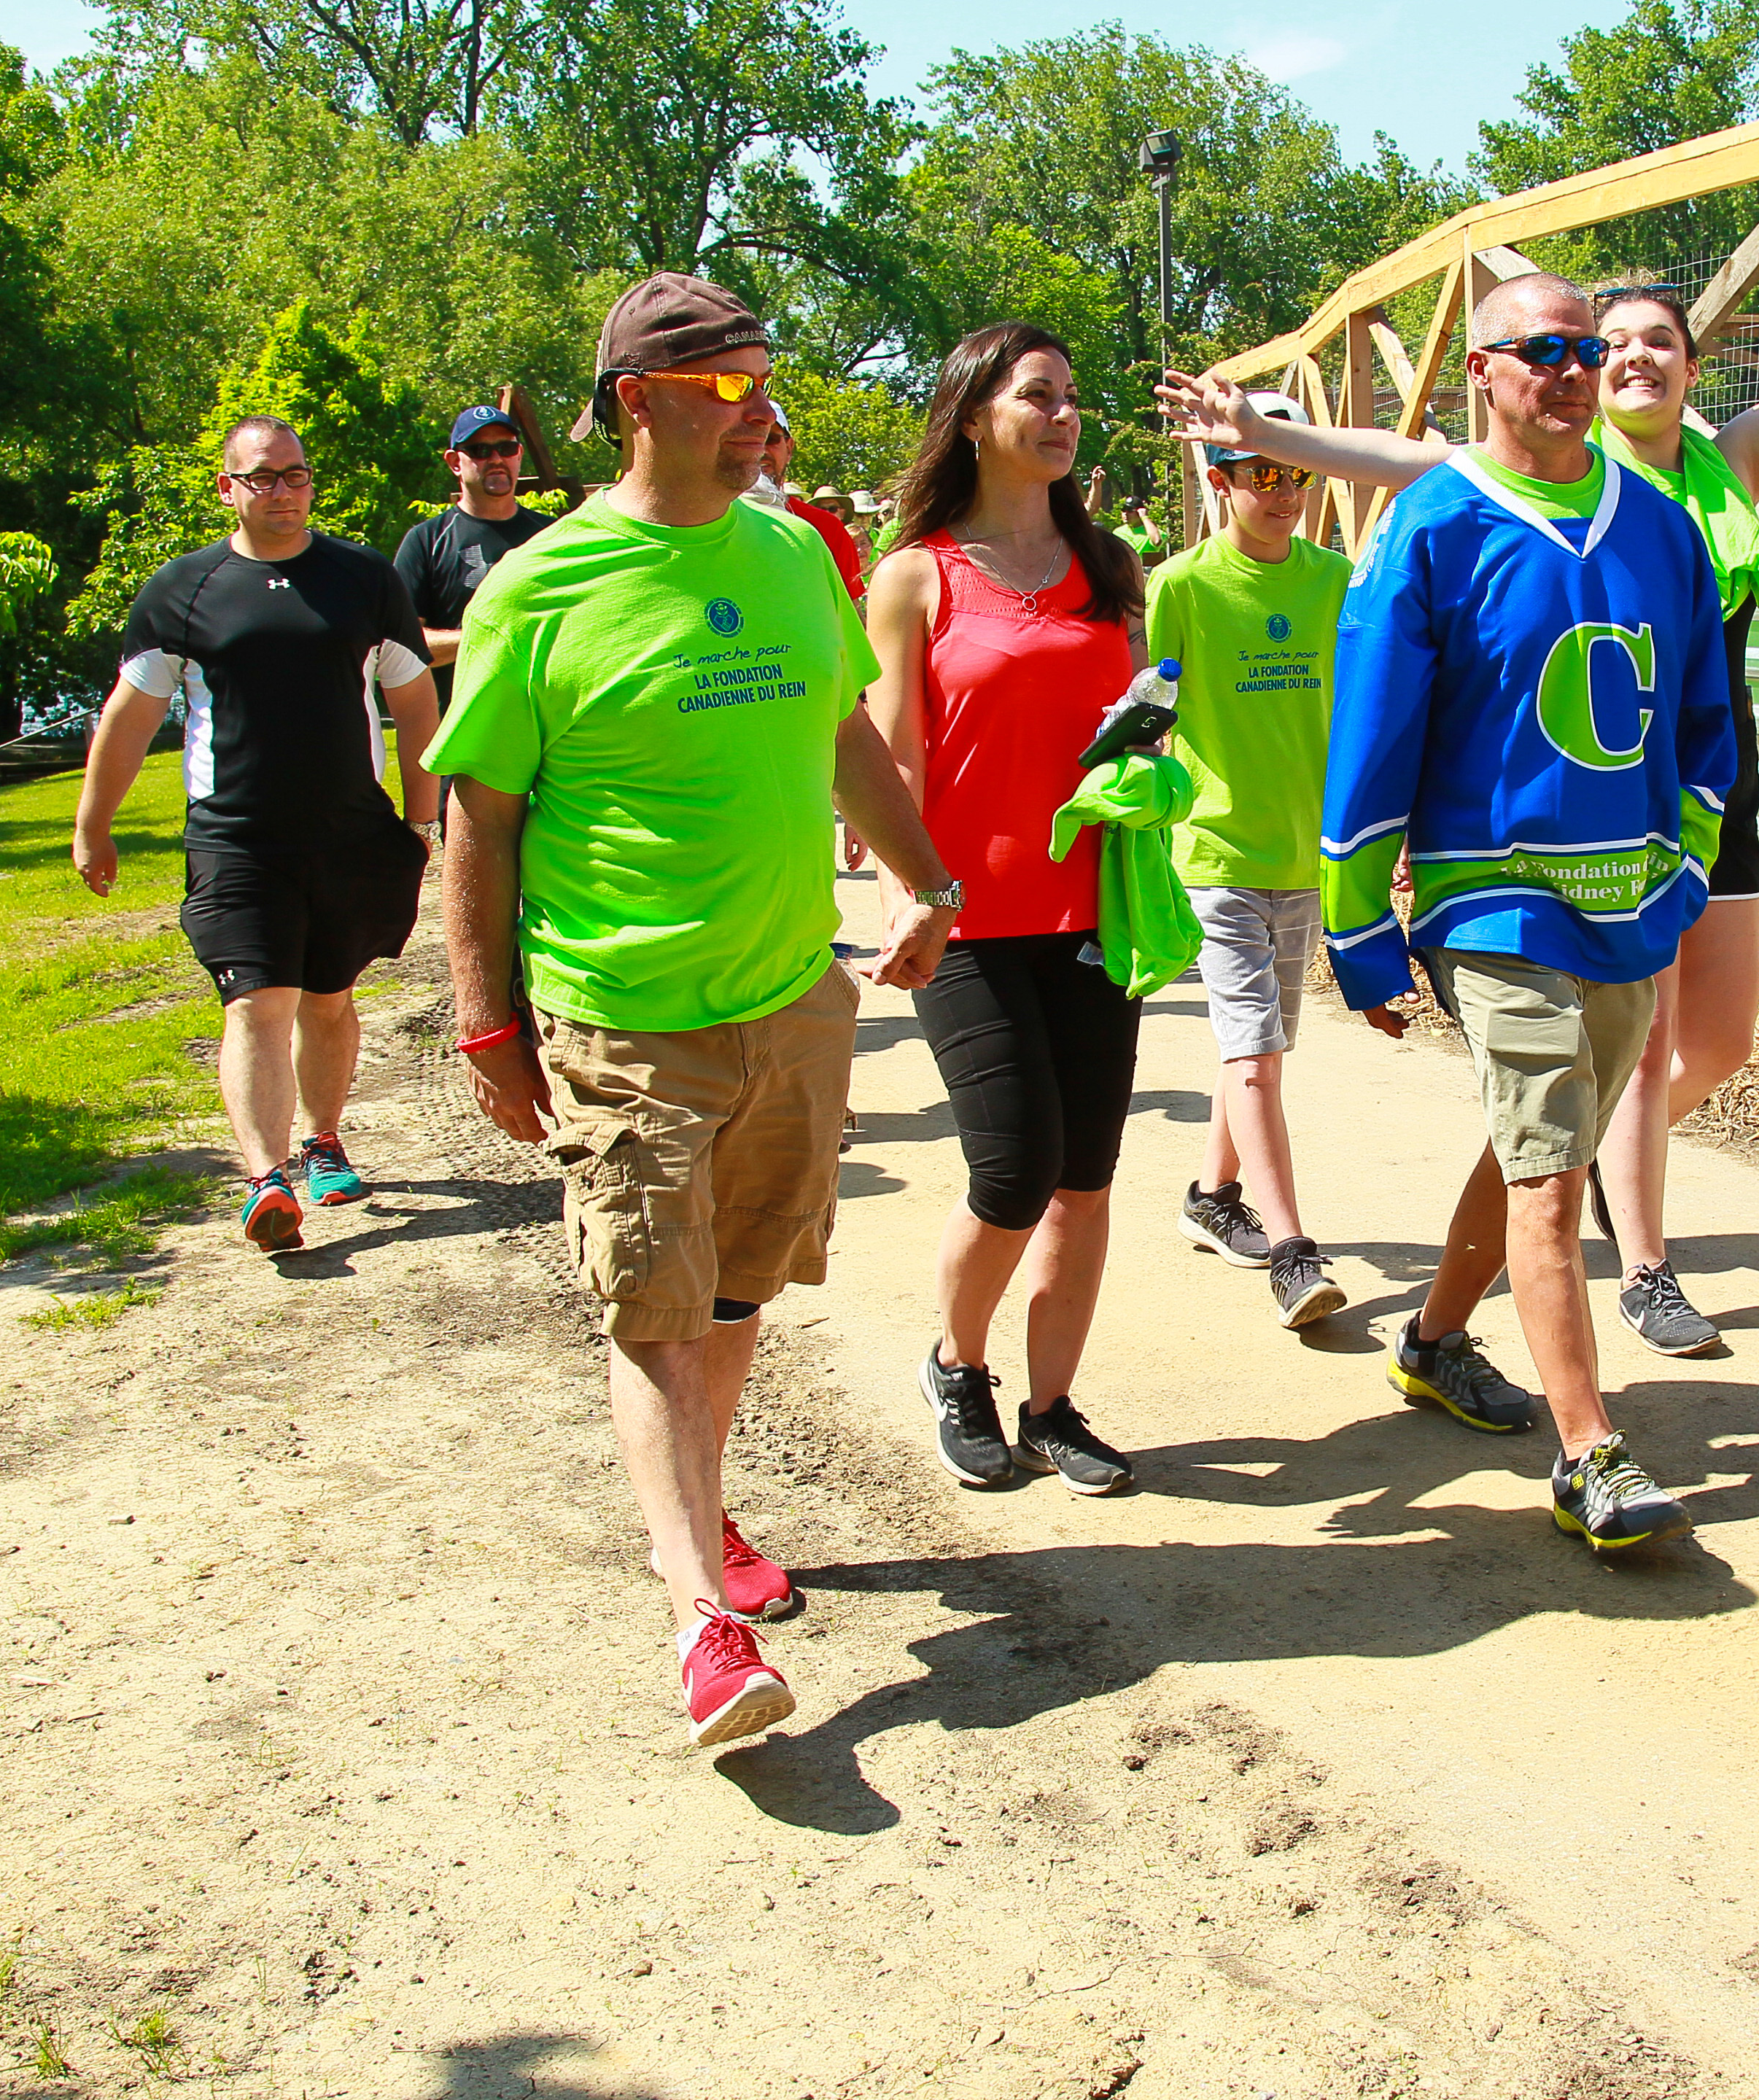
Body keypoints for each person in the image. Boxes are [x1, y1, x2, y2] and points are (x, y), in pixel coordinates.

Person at [1161, 137, 1759, 1356]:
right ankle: (1634, 1268)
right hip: (1535, 838)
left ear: (1683, 372)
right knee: (1612, 1063)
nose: (1609, 359)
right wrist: (1261, 436)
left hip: (1695, 796)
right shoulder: (1494, 486)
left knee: (1708, 1045)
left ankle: (1529, 1203)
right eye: (1593, 342)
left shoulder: (1724, 472)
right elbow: (1395, 462)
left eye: (1629, 343)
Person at [427, 271, 963, 1747]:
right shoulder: (541, 590)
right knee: (655, 1305)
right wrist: (487, 1024)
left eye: (763, 382)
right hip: (622, 1012)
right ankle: (700, 1626)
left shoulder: (793, 557)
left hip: (795, 998)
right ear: (634, 406)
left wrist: (926, 874)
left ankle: (707, 1520)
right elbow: (477, 820)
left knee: (733, 1293)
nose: (764, 416)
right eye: (729, 388)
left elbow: (841, 723)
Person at [1320, 271, 1734, 1554]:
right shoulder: (1433, 524)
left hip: (1625, 898)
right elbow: (1374, 732)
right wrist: (1357, 922)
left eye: (1584, 349)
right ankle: (1590, 1454)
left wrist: (1691, 860)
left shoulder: (1662, 522)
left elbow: (1707, 712)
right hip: (1490, 901)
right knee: (1555, 1177)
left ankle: (1437, 1342)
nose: (1567, 370)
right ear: (1483, 376)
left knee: (1536, 1141)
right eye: (1540, 350)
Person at [864, 322, 1151, 1498]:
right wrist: (909, 903)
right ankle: (957, 1363)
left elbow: (1137, 726)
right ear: (975, 413)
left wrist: (1150, 755)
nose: (1064, 413)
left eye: (1072, 395)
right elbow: (890, 766)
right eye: (1039, 394)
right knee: (1014, 1167)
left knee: (1086, 1177)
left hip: (1095, 913)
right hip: (966, 921)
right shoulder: (917, 574)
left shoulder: (1110, 567)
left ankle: (1054, 1406)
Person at [72, 414, 440, 1253]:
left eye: (297, 475)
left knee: (330, 996)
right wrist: (93, 826)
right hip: (235, 838)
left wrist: (422, 816)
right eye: (264, 477)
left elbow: (415, 704)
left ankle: (322, 1141)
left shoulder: (362, 580)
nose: (284, 491)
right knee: (256, 1000)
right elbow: (129, 720)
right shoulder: (183, 590)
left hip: (348, 832)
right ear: (227, 488)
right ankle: (266, 1179)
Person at [1146, 388, 1351, 1330]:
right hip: (1215, 853)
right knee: (1259, 1056)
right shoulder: (1181, 587)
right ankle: (1294, 1253)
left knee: (1260, 1052)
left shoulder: (1332, 580)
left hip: (1303, 855)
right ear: (1221, 480)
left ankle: (1211, 1194)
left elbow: (1359, 713)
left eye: (1295, 473)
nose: (1281, 491)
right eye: (1261, 474)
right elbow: (1145, 716)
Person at [395, 405, 553, 710]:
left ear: (519, 454)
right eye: (480, 450)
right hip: (461, 728)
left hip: (545, 726)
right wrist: (488, 638)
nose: (496, 459)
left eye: (506, 448)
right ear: (455, 462)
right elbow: (403, 646)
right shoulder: (426, 541)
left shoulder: (552, 535)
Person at [742, 395, 867, 598]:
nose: (760, 449)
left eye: (770, 439)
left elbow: (849, 613)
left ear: (789, 448)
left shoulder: (826, 528)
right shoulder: (700, 520)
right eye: (749, 440)